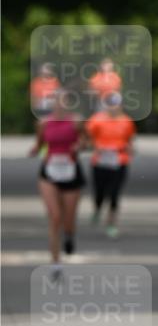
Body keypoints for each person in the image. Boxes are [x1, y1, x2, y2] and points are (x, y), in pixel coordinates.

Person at [29, 89, 86, 277]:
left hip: (71, 171)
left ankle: (69, 236)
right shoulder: (43, 123)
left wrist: (79, 146)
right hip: (49, 171)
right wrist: (34, 150)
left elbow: (86, 141)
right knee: (54, 217)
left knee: (68, 218)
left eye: (64, 101)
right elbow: (38, 145)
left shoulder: (77, 121)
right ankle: (55, 262)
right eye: (57, 102)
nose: (60, 105)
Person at [85, 92, 136, 237]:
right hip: (100, 161)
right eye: (111, 104)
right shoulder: (96, 120)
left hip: (119, 161)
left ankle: (111, 223)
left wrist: (129, 149)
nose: (114, 107)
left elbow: (130, 142)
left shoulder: (127, 121)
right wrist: (95, 147)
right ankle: (97, 208)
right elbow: (88, 141)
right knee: (99, 192)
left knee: (114, 193)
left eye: (116, 104)